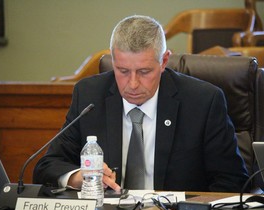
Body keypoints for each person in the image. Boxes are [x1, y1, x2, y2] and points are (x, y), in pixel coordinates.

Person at [33, 15, 249, 192]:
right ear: (114, 61)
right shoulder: (90, 95)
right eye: (123, 71)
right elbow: (48, 165)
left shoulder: (203, 101)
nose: (133, 84)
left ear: (164, 61)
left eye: (144, 72)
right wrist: (78, 177)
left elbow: (231, 180)